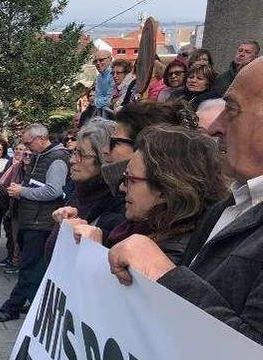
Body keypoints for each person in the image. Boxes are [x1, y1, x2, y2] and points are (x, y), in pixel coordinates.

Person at [108, 58, 263, 342]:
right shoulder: (228, 207)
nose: (216, 126)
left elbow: (252, 359)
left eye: (231, 109)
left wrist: (164, 274)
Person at [75, 125, 226, 264]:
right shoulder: (140, 229)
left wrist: (93, 254)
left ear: (165, 190)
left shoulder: (170, 256)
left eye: (130, 179)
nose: (122, 187)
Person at [0, 123, 69, 322]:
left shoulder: (57, 159)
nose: (26, 147)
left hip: (41, 223)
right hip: (32, 220)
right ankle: (34, 304)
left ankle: (12, 307)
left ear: (41, 138)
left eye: (28, 143)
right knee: (33, 267)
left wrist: (22, 191)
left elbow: (54, 190)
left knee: (28, 267)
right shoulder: (39, 157)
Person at [47, 118, 125, 259]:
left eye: (82, 155)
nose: (72, 160)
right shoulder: (81, 192)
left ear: (105, 158)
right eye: (74, 153)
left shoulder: (119, 203)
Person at [0, 140, 31, 272]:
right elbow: (2, 183)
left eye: (25, 152)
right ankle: (14, 260)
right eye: (17, 149)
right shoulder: (14, 166)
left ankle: (18, 262)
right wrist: (11, 192)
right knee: (14, 236)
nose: (20, 152)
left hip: (28, 208)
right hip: (13, 207)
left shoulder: (35, 168)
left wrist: (22, 192)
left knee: (22, 238)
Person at [93, 50, 114, 115]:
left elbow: (110, 99)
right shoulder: (99, 77)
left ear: (110, 59)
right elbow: (97, 96)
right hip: (102, 112)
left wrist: (97, 101)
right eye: (95, 61)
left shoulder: (114, 75)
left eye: (101, 60)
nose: (98, 63)